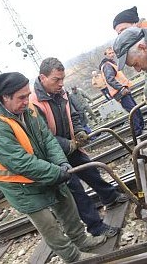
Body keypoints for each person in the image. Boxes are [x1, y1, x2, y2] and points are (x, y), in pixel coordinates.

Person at [0, 72, 108, 263]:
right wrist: (55, 172)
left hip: (43, 168)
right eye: (21, 97)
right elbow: (20, 162)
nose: (26, 100)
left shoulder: (26, 109)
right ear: (5, 97)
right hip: (19, 184)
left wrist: (61, 162)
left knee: (67, 205)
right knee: (49, 224)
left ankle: (81, 240)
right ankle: (73, 257)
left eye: (28, 95)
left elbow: (47, 139)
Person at [29, 57, 128, 237]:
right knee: (76, 190)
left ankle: (110, 197)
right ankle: (96, 227)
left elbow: (73, 116)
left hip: (71, 146)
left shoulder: (61, 92)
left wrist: (80, 131)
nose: (61, 83)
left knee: (91, 172)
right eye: (56, 80)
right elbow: (43, 138)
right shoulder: (33, 103)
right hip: (54, 154)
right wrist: (69, 144)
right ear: (42, 78)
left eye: (62, 79)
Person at [112, 6, 147, 107]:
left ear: (134, 23)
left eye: (123, 30)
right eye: (119, 33)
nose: (122, 35)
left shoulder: (146, 33)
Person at [99, 47, 144, 136]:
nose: (112, 54)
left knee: (135, 109)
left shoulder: (111, 64)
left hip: (123, 91)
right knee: (133, 111)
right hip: (120, 93)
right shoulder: (107, 65)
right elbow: (110, 79)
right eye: (109, 53)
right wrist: (121, 88)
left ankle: (141, 127)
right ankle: (138, 132)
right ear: (105, 55)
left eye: (112, 53)